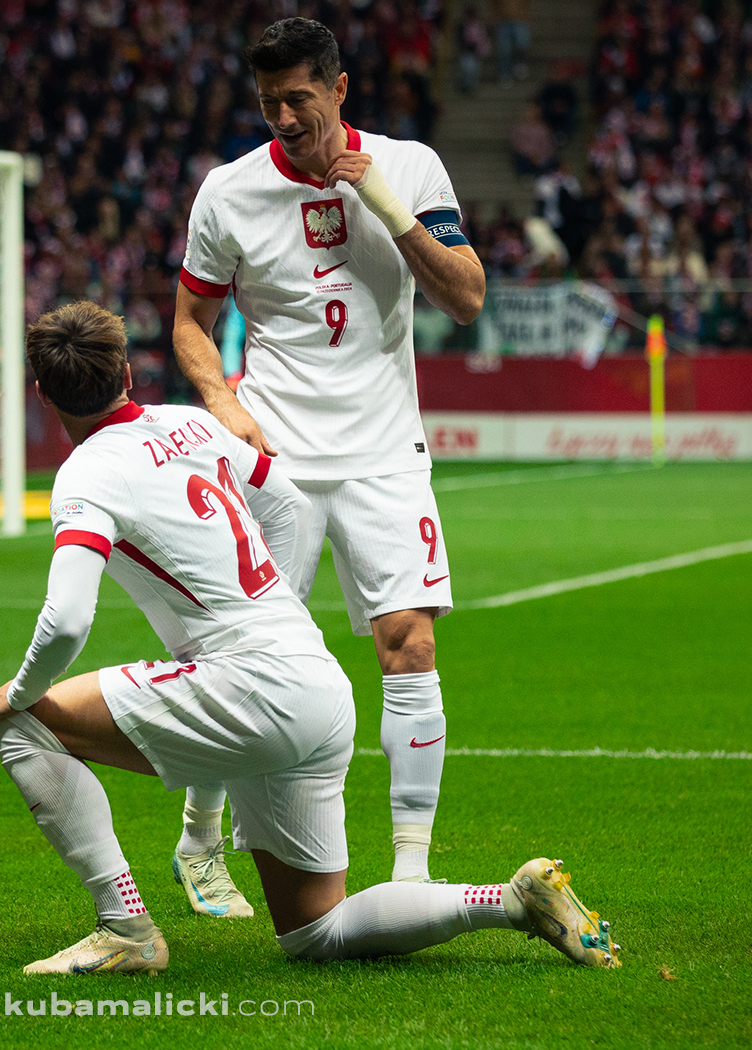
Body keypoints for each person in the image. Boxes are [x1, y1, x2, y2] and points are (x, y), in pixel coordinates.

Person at [0, 301, 622, 974]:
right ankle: (512, 900)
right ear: (127, 374)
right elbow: (284, 501)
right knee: (316, 932)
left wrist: (20, 692)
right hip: (313, 683)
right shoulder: (191, 423)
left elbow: (67, 619)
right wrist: (274, 611)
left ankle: (126, 930)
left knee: (24, 725)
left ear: (43, 394)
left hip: (248, 687)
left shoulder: (85, 474)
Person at [170, 17, 485, 909]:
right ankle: (199, 843)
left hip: (385, 450)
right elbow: (189, 322)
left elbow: (465, 298)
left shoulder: (412, 166)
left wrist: (385, 205)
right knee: (243, 655)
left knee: (411, 645)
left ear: (339, 90)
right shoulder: (228, 193)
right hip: (276, 458)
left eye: (299, 99)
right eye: (269, 102)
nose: (283, 117)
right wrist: (225, 405)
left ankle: (414, 872)